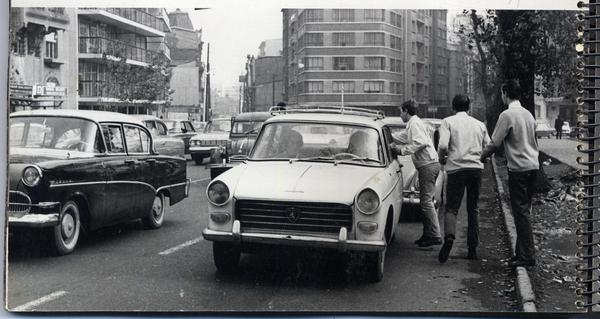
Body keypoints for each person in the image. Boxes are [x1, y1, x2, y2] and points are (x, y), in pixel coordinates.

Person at [481, 79, 539, 268]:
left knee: (520, 213)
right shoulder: (528, 114)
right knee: (525, 210)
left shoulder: (507, 115)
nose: (502, 97)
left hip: (519, 169)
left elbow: (494, 143)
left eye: (502, 94)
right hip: (533, 167)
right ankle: (520, 253)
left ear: (505, 94)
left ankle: (528, 256)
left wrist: (479, 157)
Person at [437, 94, 491, 263]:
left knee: (452, 207)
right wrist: (482, 158)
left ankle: (449, 238)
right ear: (469, 108)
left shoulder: (447, 122)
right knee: (473, 208)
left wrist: (442, 159)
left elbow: (443, 145)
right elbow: (488, 146)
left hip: (455, 169)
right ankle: (472, 249)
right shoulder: (479, 124)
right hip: (475, 169)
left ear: (453, 107)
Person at [390, 99, 442, 247]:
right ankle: (428, 235)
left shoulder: (415, 123)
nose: (400, 115)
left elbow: (420, 142)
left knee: (426, 202)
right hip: (428, 164)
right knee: (425, 202)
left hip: (428, 165)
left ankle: (435, 235)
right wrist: (390, 136)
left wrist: (402, 150)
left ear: (406, 111)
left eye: (401, 111)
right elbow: (405, 137)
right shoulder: (414, 123)